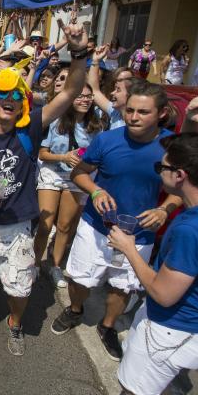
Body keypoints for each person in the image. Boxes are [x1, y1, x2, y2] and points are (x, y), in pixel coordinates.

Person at [0, 16, 88, 357]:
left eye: (16, 95)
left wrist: (78, 52)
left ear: (23, 102)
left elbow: (71, 91)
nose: (9, 99)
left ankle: (15, 324)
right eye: (3, 94)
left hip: (18, 226)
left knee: (19, 286)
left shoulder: (31, 130)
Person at [108, 133, 198, 395]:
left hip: (173, 327)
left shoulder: (194, 230)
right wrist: (192, 122)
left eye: (160, 167)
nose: (157, 172)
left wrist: (129, 249)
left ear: (180, 175)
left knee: (139, 393)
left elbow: (163, 293)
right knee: (155, 382)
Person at [52, 81, 182, 361]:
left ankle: (107, 325)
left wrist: (164, 210)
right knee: (79, 277)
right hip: (96, 226)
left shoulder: (171, 146)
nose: (133, 117)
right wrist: (95, 190)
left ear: (161, 113)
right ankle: (75, 310)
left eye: (142, 112)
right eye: (130, 110)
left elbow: (183, 190)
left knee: (124, 286)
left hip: (139, 235)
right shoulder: (107, 140)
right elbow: (79, 173)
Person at [33, 83, 107, 288]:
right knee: (45, 224)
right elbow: (42, 153)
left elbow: (97, 157)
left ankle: (55, 265)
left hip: (77, 177)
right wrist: (63, 156)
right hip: (52, 172)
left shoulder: (97, 127)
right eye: (80, 96)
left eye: (89, 96)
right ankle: (35, 262)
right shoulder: (56, 121)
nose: (85, 100)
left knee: (65, 226)